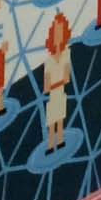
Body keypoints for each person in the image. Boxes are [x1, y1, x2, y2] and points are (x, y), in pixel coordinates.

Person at [43, 11, 71, 152]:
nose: (58, 36)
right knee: (51, 120)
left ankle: (59, 141)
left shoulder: (66, 54)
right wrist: (53, 85)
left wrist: (54, 85)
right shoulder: (49, 60)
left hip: (59, 93)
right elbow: (46, 84)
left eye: (60, 32)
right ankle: (50, 144)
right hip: (54, 94)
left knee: (59, 118)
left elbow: (66, 77)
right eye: (56, 33)